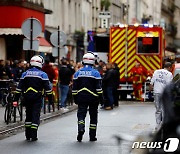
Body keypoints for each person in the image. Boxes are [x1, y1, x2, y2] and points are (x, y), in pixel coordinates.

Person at [13, 55, 53, 141]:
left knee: (28, 115)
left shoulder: (25, 73)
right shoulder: (43, 74)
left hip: (26, 97)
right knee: (35, 115)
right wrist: (50, 100)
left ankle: (27, 135)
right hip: (37, 98)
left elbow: (19, 88)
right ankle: (34, 135)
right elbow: (48, 89)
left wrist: (15, 99)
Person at [72, 52, 103, 142]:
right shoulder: (96, 73)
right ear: (93, 62)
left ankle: (81, 129)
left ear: (83, 61)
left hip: (81, 97)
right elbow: (99, 88)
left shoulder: (77, 73)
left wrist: (75, 98)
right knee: (93, 117)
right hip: (93, 98)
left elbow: (74, 89)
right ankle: (92, 136)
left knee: (81, 115)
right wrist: (101, 99)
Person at [150, 62, 173, 131]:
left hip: (156, 92)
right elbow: (169, 86)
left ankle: (157, 125)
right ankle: (164, 124)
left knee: (158, 109)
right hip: (164, 93)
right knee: (164, 109)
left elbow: (151, 83)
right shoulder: (169, 74)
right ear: (169, 67)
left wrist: (150, 92)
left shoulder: (156, 71)